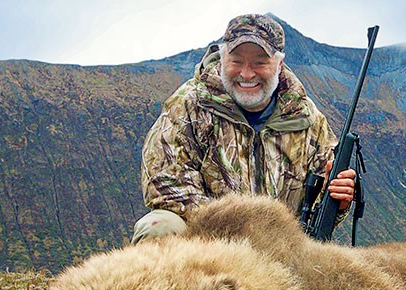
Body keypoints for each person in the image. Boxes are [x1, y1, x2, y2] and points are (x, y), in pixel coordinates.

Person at [133, 13, 357, 243]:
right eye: (237, 61)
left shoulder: (306, 118)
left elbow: (320, 207)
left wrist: (337, 200)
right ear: (222, 59)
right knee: (159, 227)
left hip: (283, 245)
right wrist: (237, 233)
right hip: (208, 244)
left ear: (279, 65)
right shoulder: (188, 106)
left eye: (260, 62)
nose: (247, 74)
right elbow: (165, 183)